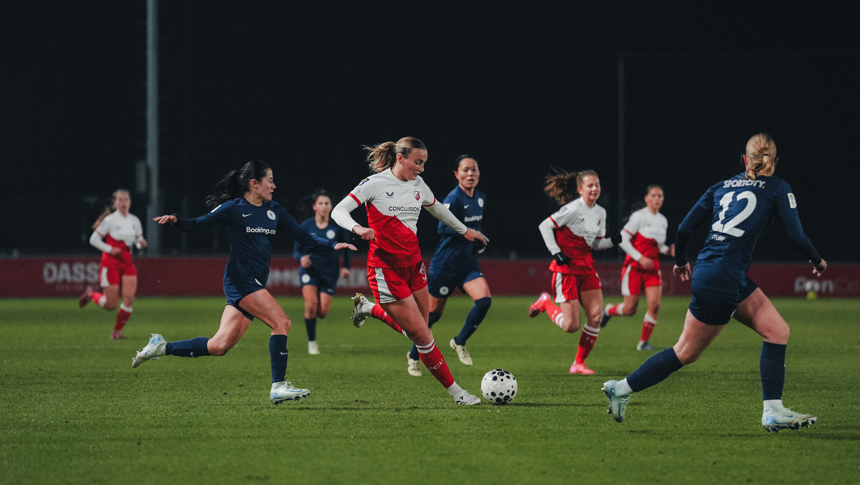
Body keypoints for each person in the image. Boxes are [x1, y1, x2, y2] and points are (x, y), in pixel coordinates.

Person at [602, 134, 826, 432]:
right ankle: (621, 388)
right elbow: (797, 237)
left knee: (777, 330)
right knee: (685, 351)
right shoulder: (778, 187)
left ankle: (773, 409)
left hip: (710, 271)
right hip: (726, 278)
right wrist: (817, 260)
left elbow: (683, 228)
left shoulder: (721, 186)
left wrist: (681, 261)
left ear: (745, 160)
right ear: (774, 161)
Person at [132, 160, 357, 405]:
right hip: (240, 279)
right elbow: (197, 224)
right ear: (254, 183)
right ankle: (278, 386)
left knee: (219, 346)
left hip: (254, 281)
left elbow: (303, 236)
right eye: (269, 180)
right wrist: (176, 219)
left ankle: (161, 347)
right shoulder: (232, 208)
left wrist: (333, 244)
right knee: (282, 322)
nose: (274, 185)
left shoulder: (275, 210)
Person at [331, 137, 487, 405]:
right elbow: (340, 209)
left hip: (414, 267)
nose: (422, 168)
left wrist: (465, 230)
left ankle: (367, 309)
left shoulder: (418, 184)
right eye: (418, 162)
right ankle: (457, 393)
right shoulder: (375, 184)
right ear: (400, 158)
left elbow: (436, 207)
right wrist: (357, 228)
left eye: (424, 163)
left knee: (420, 329)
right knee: (424, 337)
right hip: (385, 270)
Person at [405, 154, 491, 376]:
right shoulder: (454, 199)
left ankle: (459, 341)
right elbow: (442, 229)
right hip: (445, 265)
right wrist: (468, 234)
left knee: (484, 301)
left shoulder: (480, 197)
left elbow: (476, 228)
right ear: (457, 175)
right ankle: (413, 356)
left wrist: (479, 239)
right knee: (432, 316)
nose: (470, 174)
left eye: (474, 170)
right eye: (465, 170)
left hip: (467, 264)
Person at [528, 170, 620, 375]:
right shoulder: (572, 209)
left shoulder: (601, 213)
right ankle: (545, 302)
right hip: (566, 270)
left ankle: (578, 364)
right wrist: (556, 252)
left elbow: (596, 244)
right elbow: (544, 226)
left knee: (596, 316)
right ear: (580, 189)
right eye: (590, 185)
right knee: (571, 326)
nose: (595, 188)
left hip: (586, 268)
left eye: (597, 185)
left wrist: (611, 241)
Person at [600, 185, 675, 351]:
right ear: (646, 198)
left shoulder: (663, 220)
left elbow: (659, 245)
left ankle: (643, 343)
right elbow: (622, 239)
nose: (657, 199)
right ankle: (608, 311)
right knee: (629, 309)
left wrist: (667, 250)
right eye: (653, 195)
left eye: (660, 196)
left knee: (654, 306)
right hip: (634, 267)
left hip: (653, 268)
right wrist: (639, 258)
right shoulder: (639, 216)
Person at [78, 189, 147, 340]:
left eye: (126, 200)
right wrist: (109, 249)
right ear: (115, 203)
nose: (124, 203)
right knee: (111, 304)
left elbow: (138, 240)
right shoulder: (110, 220)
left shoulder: (134, 221)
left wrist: (141, 243)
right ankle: (91, 294)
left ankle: (116, 332)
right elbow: (93, 239)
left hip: (127, 262)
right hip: (111, 263)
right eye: (120, 200)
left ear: (130, 202)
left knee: (129, 299)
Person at [293, 189, 352, 355]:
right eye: (320, 203)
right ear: (314, 206)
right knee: (311, 305)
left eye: (327, 203)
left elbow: (347, 249)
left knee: (322, 313)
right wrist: (301, 259)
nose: (324, 206)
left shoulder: (337, 227)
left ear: (331, 206)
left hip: (329, 273)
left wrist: (346, 266)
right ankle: (312, 343)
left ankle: (313, 327)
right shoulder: (306, 226)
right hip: (309, 270)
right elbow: (296, 250)